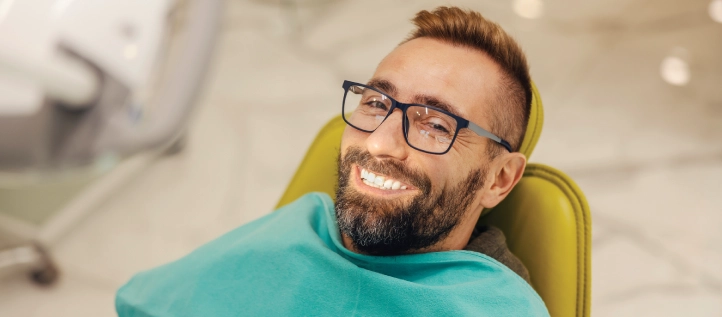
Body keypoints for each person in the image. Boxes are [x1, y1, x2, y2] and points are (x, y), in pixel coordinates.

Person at [116, 6, 549, 317]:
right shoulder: (297, 228)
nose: (380, 144)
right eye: (377, 103)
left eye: (435, 124)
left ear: (500, 179)